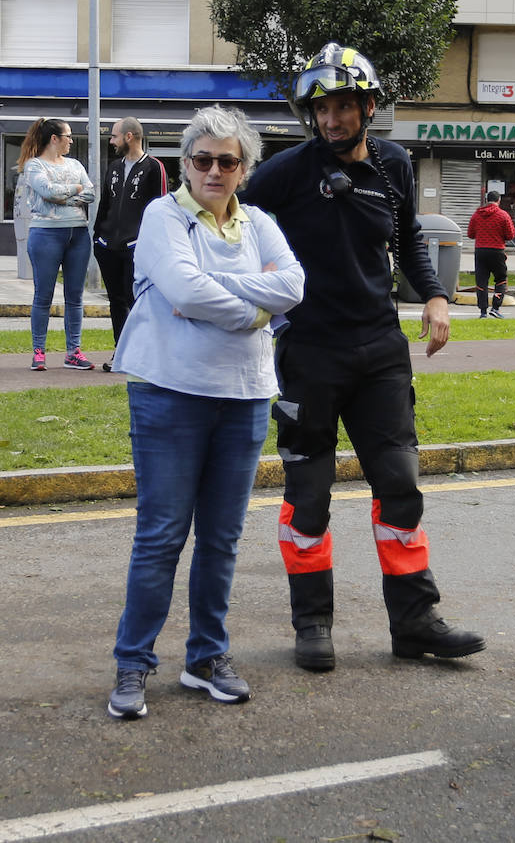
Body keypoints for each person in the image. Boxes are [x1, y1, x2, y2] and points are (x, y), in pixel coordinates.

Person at [242, 42, 485, 672]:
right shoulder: (284, 173)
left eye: (343, 106)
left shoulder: (395, 165)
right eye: (321, 108)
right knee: (310, 494)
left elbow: (406, 240)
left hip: (380, 350)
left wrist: (434, 294)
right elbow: (232, 225)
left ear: (368, 107)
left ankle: (414, 622)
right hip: (309, 352)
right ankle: (313, 621)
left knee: (400, 486)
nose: (331, 119)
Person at [106, 105, 304, 720]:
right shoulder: (163, 216)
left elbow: (293, 285)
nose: (214, 170)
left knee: (221, 538)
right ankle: (133, 663)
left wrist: (214, 290)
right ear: (186, 162)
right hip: (169, 391)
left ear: (244, 167)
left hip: (244, 393)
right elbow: (184, 288)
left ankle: (205, 657)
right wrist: (252, 306)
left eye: (228, 160)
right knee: (162, 535)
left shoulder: (260, 222)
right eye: (202, 159)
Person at [18, 118, 95, 371]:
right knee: (43, 296)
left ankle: (74, 352)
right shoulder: (34, 166)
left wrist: (63, 197)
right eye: (68, 136)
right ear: (54, 138)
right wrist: (75, 188)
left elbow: (91, 194)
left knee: (75, 297)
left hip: (79, 235)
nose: (71, 140)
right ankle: (38, 352)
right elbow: (48, 191)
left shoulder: (75, 164)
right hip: (46, 235)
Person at [93, 116, 169, 372]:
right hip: (108, 246)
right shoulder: (114, 167)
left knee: (134, 299)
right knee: (115, 300)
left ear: (129, 136)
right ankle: (121, 350)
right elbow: (106, 203)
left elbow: (160, 208)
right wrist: (97, 237)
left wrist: (152, 243)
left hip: (137, 247)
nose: (111, 140)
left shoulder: (154, 167)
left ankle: (142, 353)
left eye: (114, 136)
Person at [467, 190, 515, 318]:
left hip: (480, 251)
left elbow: (470, 234)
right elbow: (510, 235)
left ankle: (483, 311)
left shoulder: (477, 215)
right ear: (498, 200)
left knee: (481, 281)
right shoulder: (503, 215)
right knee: (500, 279)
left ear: (486, 200)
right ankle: (495, 308)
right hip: (497, 251)